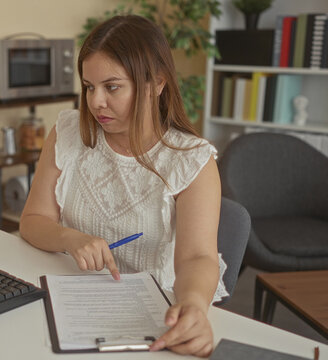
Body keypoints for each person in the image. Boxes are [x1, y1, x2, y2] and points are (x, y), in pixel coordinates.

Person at [19, 15, 227, 357]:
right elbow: (32, 219)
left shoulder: (191, 160)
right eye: (89, 87)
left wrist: (192, 305)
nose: (96, 101)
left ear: (155, 84)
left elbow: (197, 257)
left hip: (150, 314)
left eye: (112, 86)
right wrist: (71, 238)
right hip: (68, 300)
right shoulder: (70, 133)